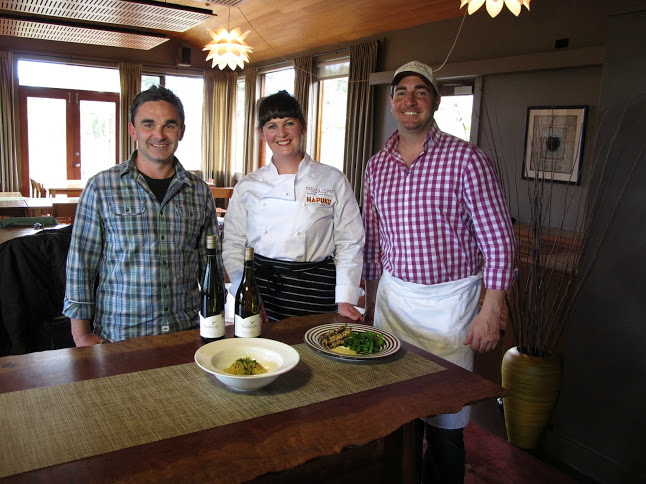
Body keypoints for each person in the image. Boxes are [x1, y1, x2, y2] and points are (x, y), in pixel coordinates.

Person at [362, 61, 516, 483]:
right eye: (401, 92)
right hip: (393, 303)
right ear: (391, 102)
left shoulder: (467, 160)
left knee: (445, 421)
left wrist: (491, 309)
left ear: (435, 101)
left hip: (450, 305)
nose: (409, 101)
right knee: (395, 413)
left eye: (420, 92)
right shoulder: (376, 166)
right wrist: (371, 302)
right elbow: (374, 241)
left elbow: (499, 241)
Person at [63, 85, 221, 345]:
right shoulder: (101, 187)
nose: (159, 134)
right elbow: (81, 263)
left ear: (181, 131)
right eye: (148, 124)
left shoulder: (199, 191)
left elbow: (211, 265)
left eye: (169, 125)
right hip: (119, 335)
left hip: (186, 331)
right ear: (132, 130)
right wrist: (80, 335)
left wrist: (214, 324)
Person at [223, 90, 364, 322]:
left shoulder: (333, 179)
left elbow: (350, 242)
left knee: (318, 356)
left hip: (319, 291)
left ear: (302, 127)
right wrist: (244, 292)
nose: (281, 133)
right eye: (271, 126)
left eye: (289, 123)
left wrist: (346, 297)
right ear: (261, 134)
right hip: (263, 293)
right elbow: (233, 244)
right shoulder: (247, 186)